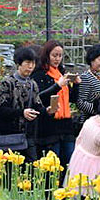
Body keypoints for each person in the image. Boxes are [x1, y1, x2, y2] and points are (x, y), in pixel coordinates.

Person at [31, 40, 81, 168]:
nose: (57, 59)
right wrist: (57, 86)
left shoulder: (61, 73)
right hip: (49, 126)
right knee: (52, 165)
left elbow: (73, 99)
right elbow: (39, 98)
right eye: (54, 55)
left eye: (60, 55)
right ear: (46, 55)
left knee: (69, 162)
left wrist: (76, 85)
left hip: (66, 125)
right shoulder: (39, 74)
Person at [0, 47, 47, 162]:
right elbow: (1, 109)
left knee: (32, 167)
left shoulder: (32, 84)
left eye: (33, 63)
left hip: (28, 136)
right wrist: (22, 113)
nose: (31, 66)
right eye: (28, 63)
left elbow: (37, 106)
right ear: (19, 63)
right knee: (11, 169)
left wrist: (48, 110)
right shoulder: (7, 83)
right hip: (10, 137)